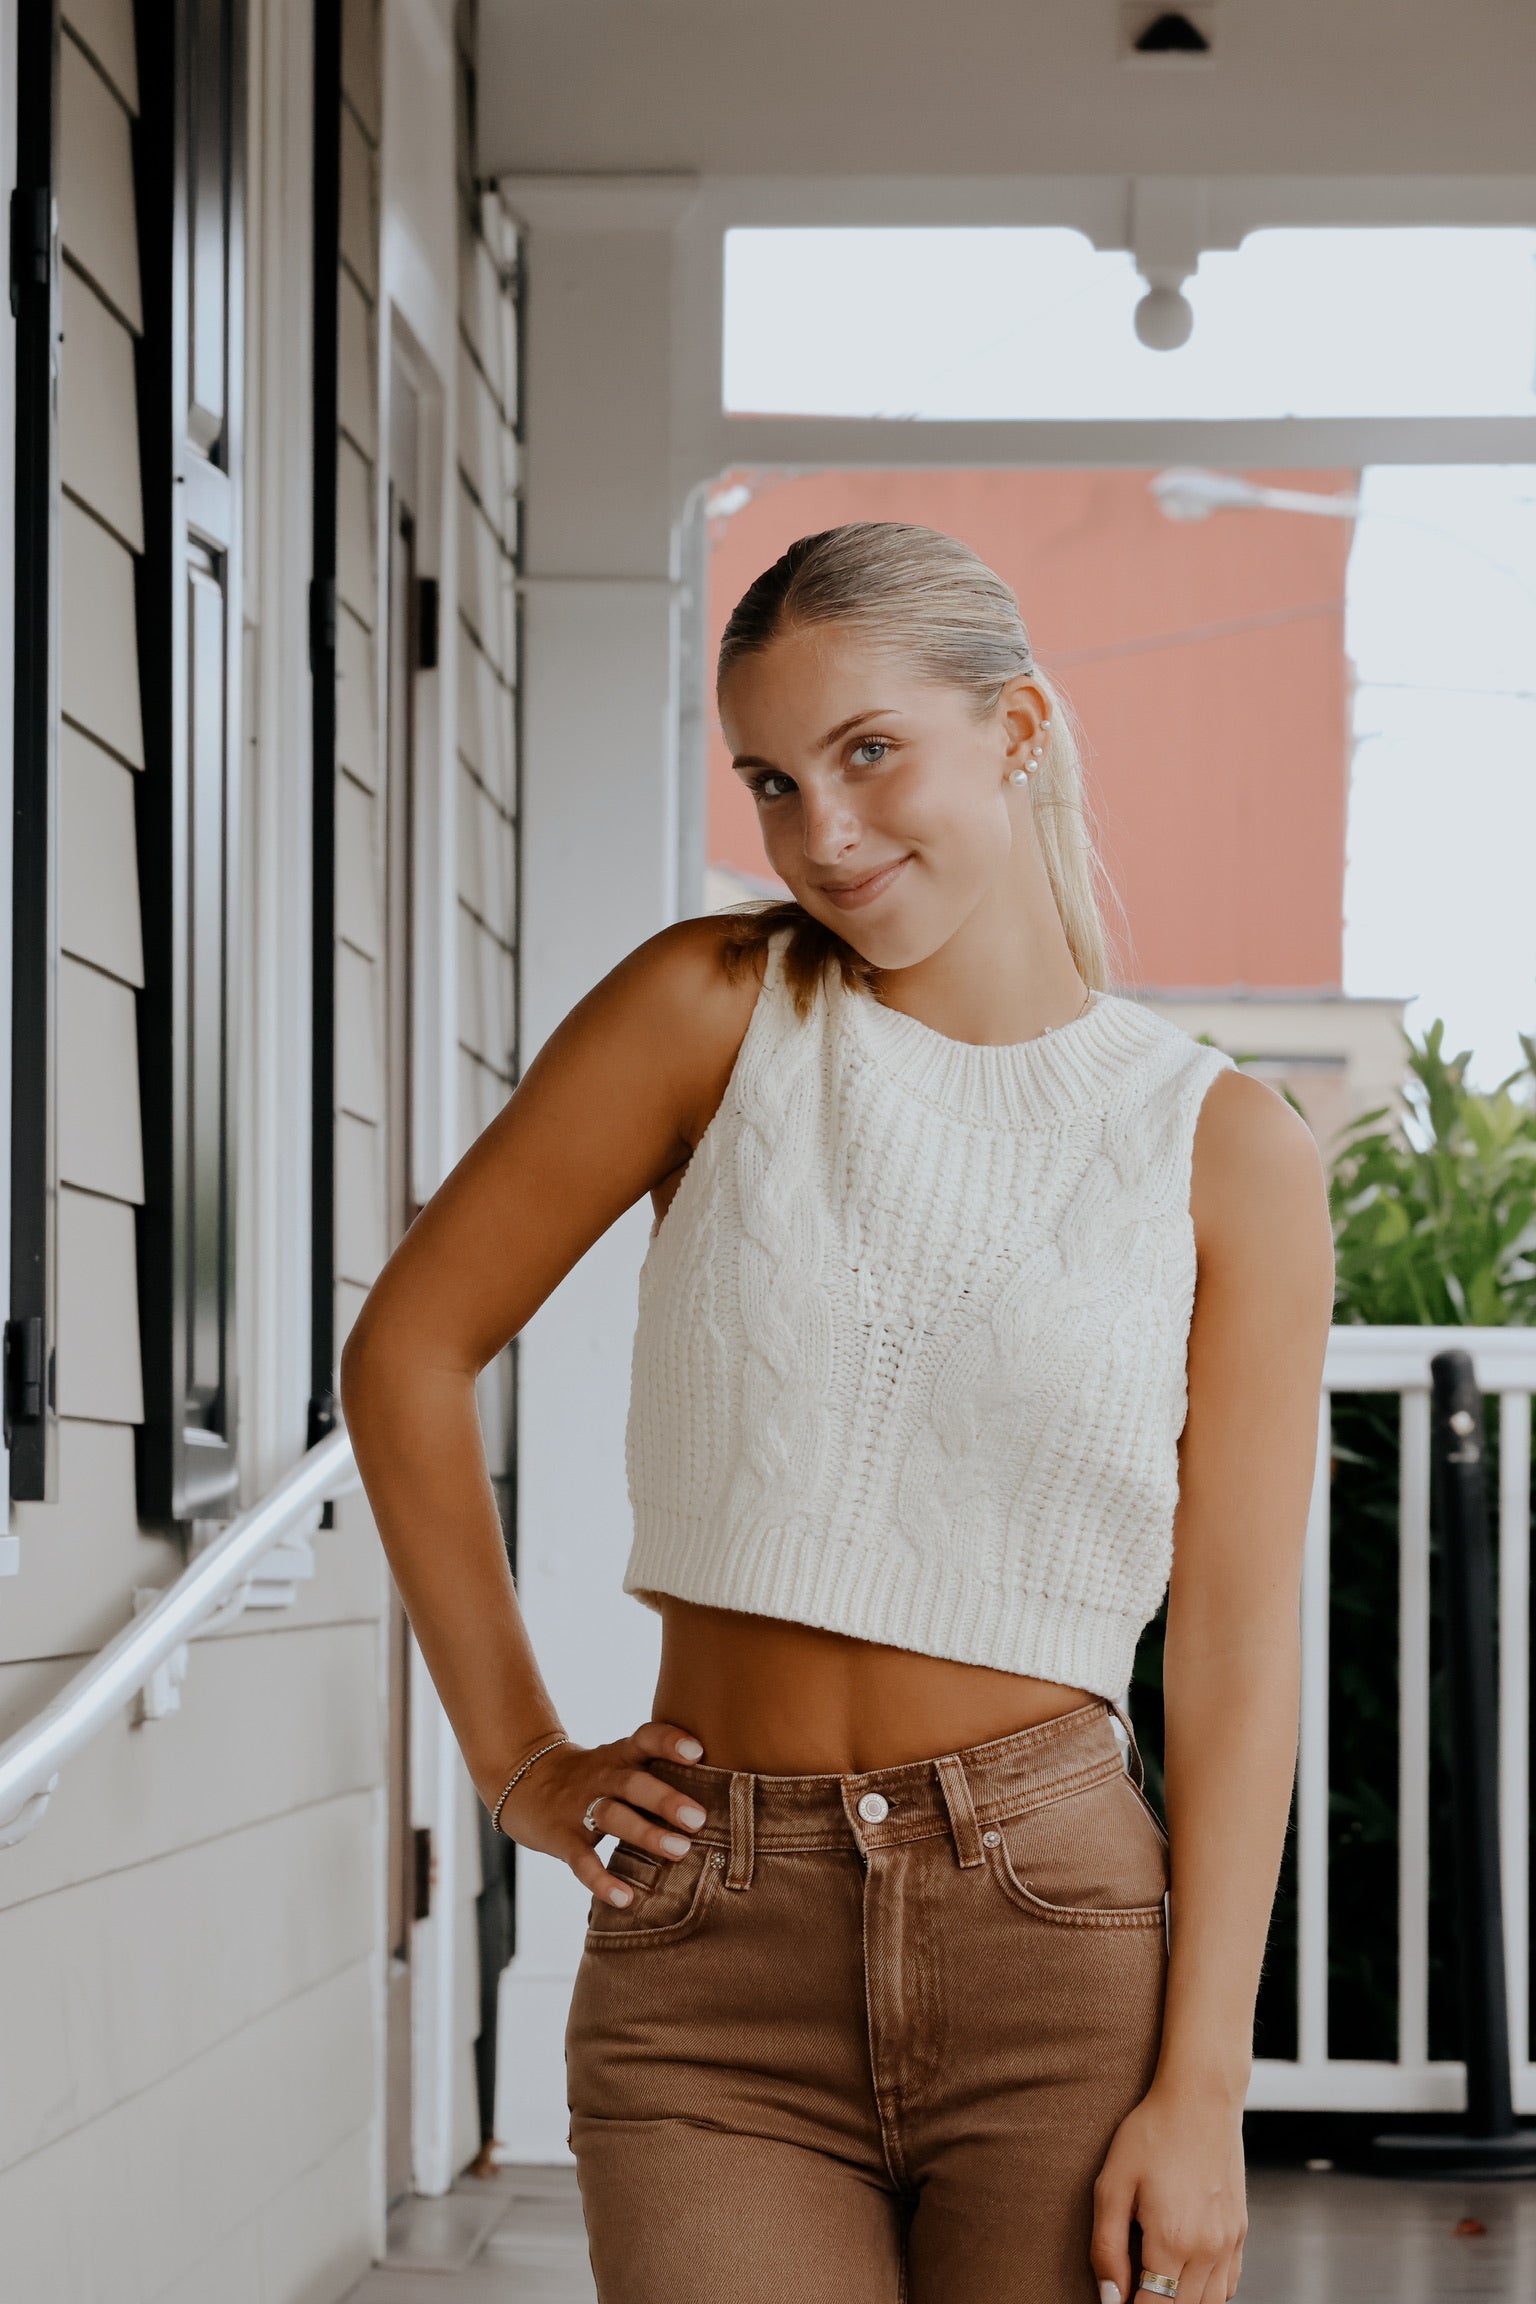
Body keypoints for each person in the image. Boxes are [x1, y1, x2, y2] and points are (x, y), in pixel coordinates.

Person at [341, 521, 1335, 2304]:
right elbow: (406, 1351)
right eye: (774, 781)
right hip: (708, 1949)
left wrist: (1204, 2092)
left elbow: (1243, 1650)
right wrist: (520, 1764)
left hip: (1054, 1947)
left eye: (870, 754)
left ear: (1016, 727)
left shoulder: (1224, 1149)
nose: (823, 835)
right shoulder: (712, 1013)